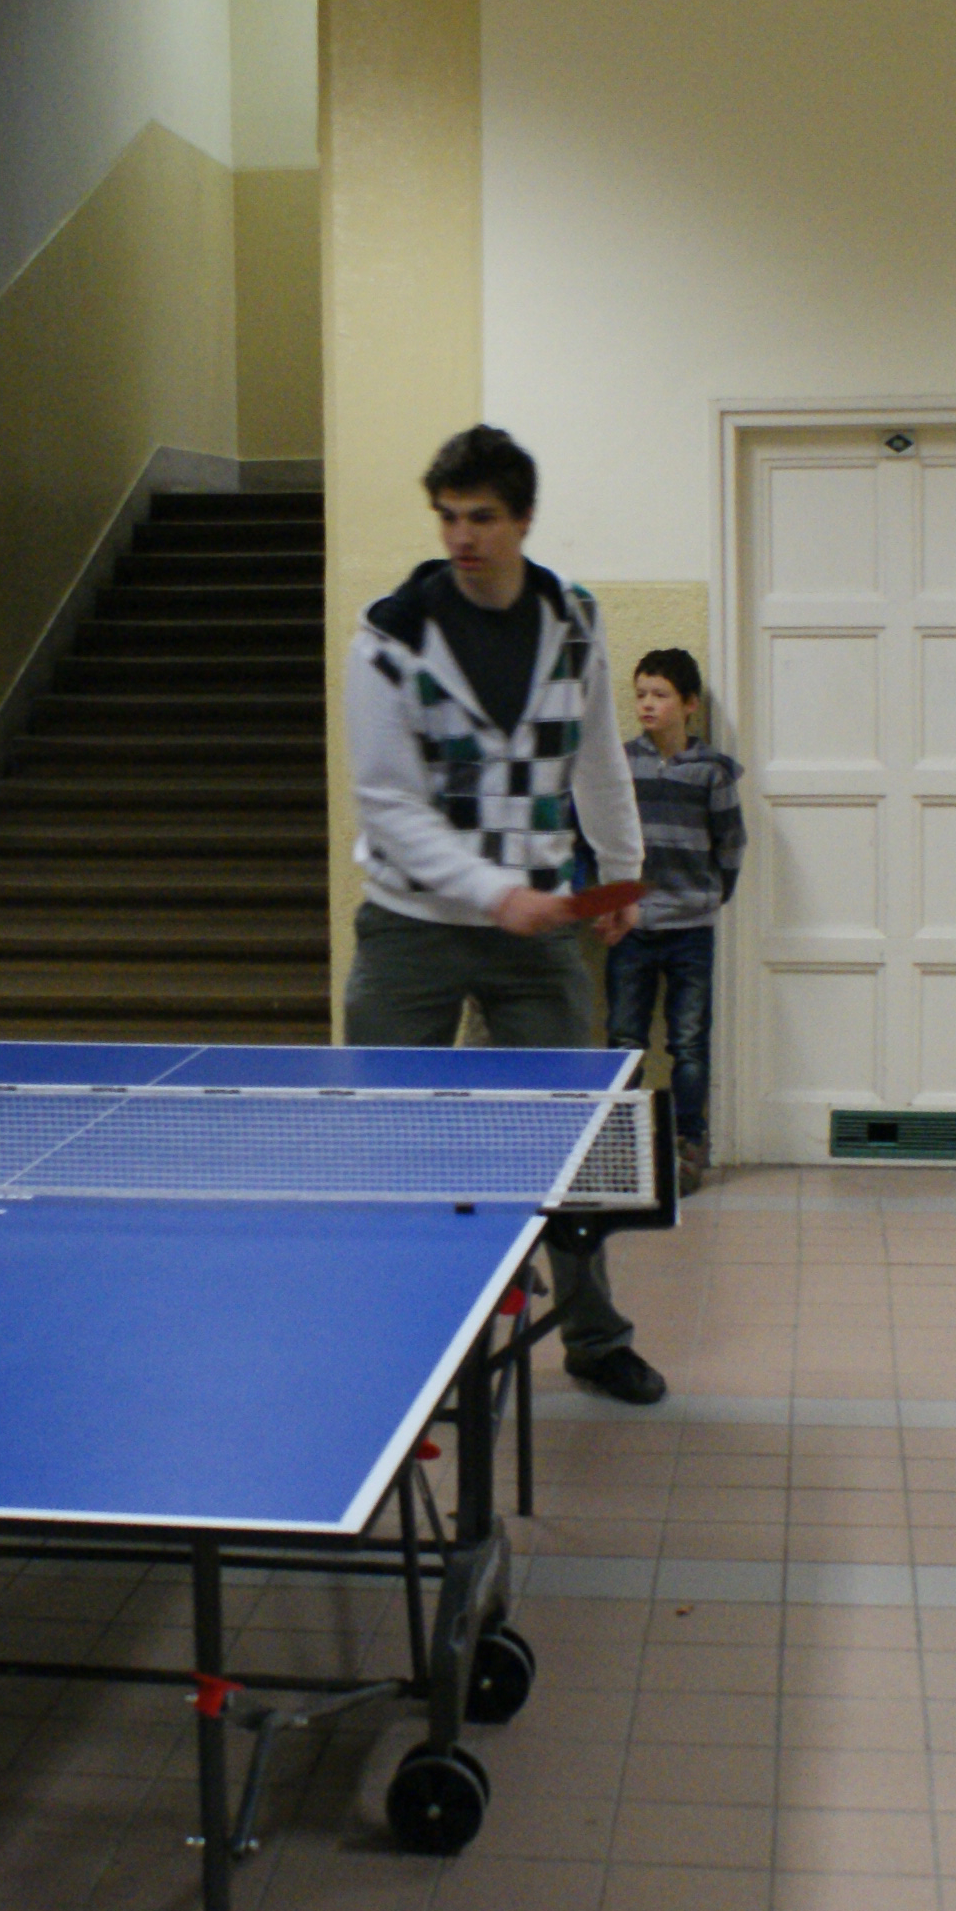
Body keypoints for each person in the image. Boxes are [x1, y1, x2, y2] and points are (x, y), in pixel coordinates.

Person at [344, 424, 664, 1404]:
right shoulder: (388, 637)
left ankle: (594, 1337)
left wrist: (621, 870)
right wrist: (495, 894)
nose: (461, 537)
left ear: (522, 519)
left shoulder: (574, 620)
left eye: (480, 517)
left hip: (538, 936)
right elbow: (386, 802)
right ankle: (402, 1341)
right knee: (389, 1145)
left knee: (571, 1140)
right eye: (447, 517)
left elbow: (595, 753)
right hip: (409, 928)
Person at [606, 647, 743, 1193]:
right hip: (633, 927)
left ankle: (690, 1143)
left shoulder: (711, 770)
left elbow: (730, 844)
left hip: (691, 928)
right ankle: (619, 1143)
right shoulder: (621, 764)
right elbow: (603, 836)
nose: (647, 704)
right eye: (640, 693)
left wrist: (711, 896)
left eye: (660, 695)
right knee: (624, 1038)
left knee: (688, 1041)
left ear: (689, 705)